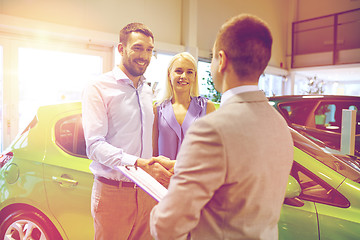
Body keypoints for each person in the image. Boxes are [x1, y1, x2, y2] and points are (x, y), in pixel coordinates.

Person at [150, 14, 294, 240]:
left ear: (221, 60)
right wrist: (181, 166)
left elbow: (168, 225)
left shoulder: (211, 129)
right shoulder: (279, 125)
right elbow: (238, 172)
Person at [82, 22, 172, 240]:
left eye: (150, 50)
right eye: (138, 48)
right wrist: (138, 163)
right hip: (114, 192)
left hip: (147, 191)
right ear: (121, 49)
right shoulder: (98, 87)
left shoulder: (147, 90)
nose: (145, 56)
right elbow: (94, 146)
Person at [153, 52, 216, 161]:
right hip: (163, 176)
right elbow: (153, 152)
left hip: (195, 176)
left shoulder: (207, 107)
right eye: (178, 71)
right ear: (169, 74)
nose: (184, 76)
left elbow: (213, 150)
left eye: (189, 72)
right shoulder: (157, 109)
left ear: (194, 76)